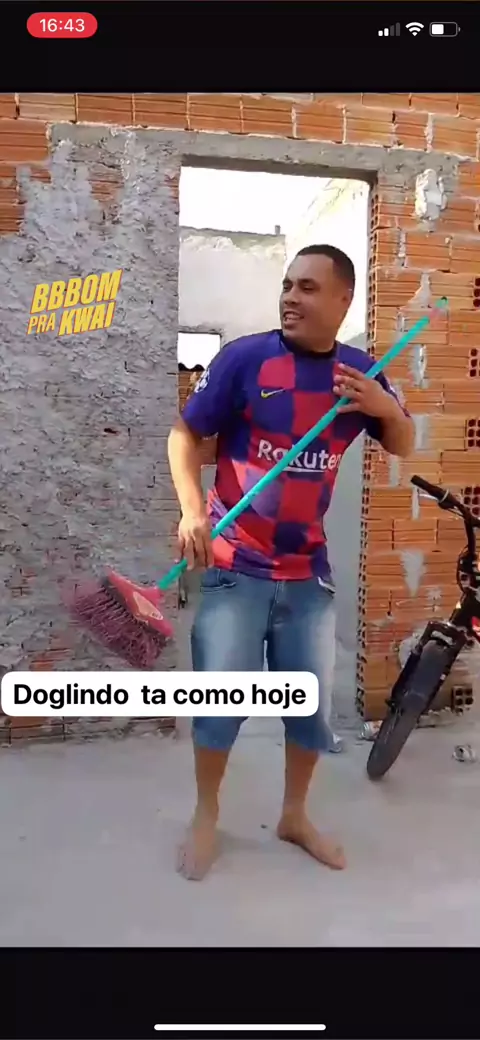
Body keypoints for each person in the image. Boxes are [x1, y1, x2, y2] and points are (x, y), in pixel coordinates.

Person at [167, 244, 415, 881]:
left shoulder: (359, 375)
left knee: (308, 711)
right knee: (218, 705)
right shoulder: (246, 359)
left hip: (307, 574)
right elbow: (185, 434)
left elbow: (403, 442)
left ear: (343, 301)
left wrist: (384, 407)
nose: (291, 298)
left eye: (308, 287)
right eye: (286, 285)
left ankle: (295, 816)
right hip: (235, 567)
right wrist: (193, 511)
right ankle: (205, 814)